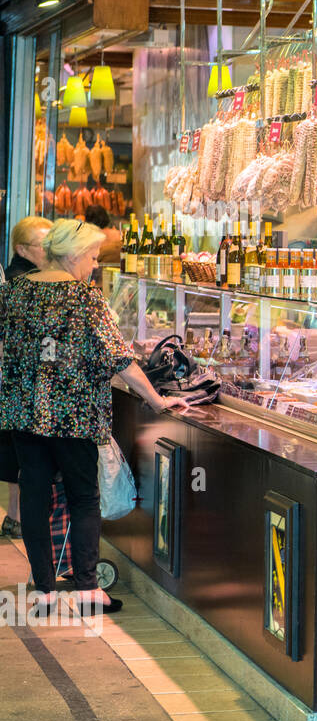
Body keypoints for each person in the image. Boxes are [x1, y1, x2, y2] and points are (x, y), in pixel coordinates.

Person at [0, 220, 188, 615]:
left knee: (35, 499)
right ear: (71, 254)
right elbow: (119, 358)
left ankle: (45, 591)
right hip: (74, 416)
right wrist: (156, 400)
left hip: (24, 414)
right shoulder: (84, 298)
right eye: (91, 257)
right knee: (84, 497)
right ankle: (87, 589)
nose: (94, 265)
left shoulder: (16, 291)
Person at [1, 216, 52, 538]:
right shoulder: (27, 282)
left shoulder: (18, 279)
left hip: (13, 378)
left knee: (16, 448)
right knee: (25, 451)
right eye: (43, 245)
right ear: (22, 248)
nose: (50, 251)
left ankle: (16, 518)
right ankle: (21, 520)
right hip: (20, 378)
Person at [5, 214, 52, 282]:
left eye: (52, 244)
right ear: (21, 250)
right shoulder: (17, 282)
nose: (51, 250)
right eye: (44, 245)